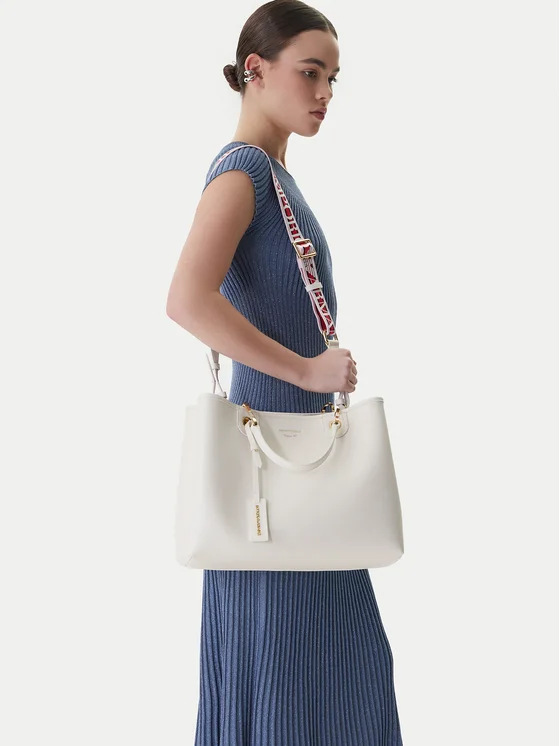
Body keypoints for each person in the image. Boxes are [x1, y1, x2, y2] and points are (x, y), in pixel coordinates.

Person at [166, 1, 403, 743]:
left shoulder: (274, 179)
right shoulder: (242, 173)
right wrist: (306, 372)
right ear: (255, 70)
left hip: (299, 475)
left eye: (333, 77)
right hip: (272, 480)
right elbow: (186, 300)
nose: (325, 92)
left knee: (330, 673)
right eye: (310, 72)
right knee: (293, 671)